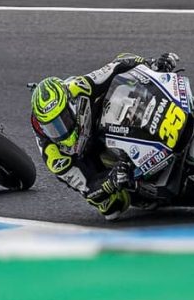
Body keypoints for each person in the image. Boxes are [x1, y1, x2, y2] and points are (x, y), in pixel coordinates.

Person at [30, 52, 179, 220]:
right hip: (88, 160)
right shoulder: (54, 157)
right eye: (52, 128)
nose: (60, 131)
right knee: (112, 207)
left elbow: (118, 64)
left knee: (126, 79)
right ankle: (142, 189)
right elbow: (87, 187)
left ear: (71, 106)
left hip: (99, 122)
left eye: (62, 120)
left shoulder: (78, 87)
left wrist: (152, 64)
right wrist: (111, 181)